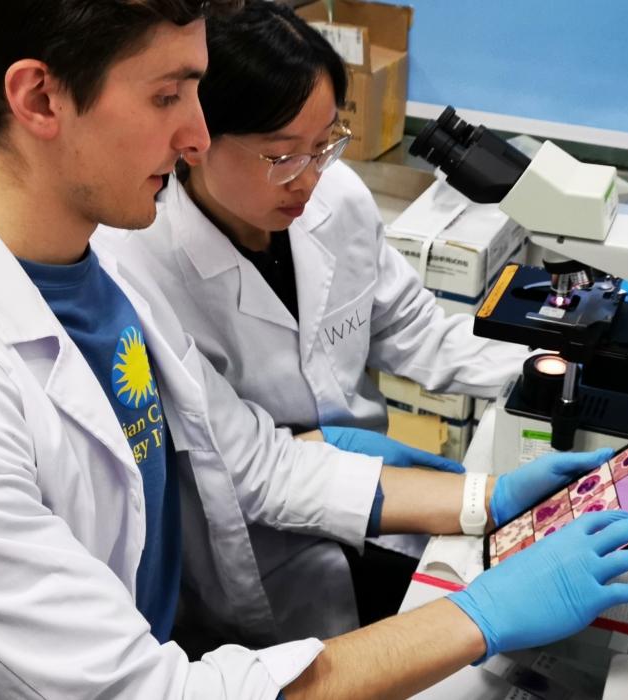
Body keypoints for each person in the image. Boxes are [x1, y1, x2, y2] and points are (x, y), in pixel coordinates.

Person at [0, 1, 628, 697]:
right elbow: (146, 694)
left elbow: (254, 462)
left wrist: (484, 499)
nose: (194, 136)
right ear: (39, 98)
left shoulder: (96, 271)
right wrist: (482, 617)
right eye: (168, 96)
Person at [97, 0, 532, 639]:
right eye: (282, 156)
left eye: (325, 143)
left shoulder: (338, 199)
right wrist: (476, 499)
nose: (310, 179)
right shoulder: (142, 267)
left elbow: (414, 329)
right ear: (195, 143)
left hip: (382, 502)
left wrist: (549, 370)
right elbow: (250, 470)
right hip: (265, 546)